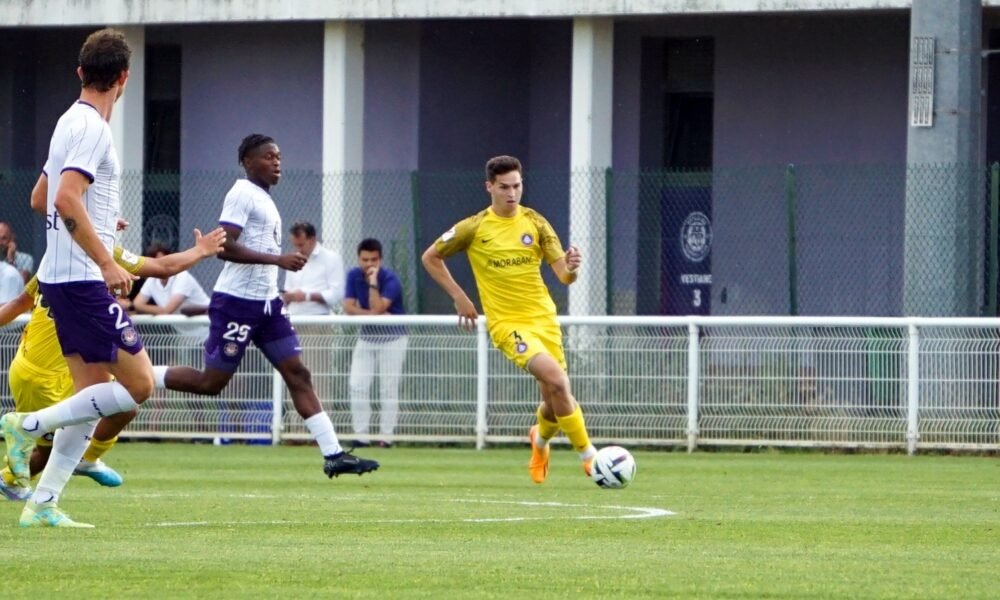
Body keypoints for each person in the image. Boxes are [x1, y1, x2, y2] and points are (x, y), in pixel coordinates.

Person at [142, 133, 378, 479]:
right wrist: (277, 260)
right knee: (212, 383)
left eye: (279, 156)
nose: (276, 162)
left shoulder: (265, 199)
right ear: (247, 162)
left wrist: (275, 270)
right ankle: (139, 375)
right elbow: (224, 246)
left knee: (298, 373)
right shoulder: (241, 193)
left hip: (268, 305)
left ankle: (334, 453)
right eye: (268, 157)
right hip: (237, 303)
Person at [0, 28, 158, 528]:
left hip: (61, 280)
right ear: (125, 79)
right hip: (82, 280)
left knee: (87, 400)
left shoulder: (67, 121)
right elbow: (66, 199)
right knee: (140, 385)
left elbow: (39, 199)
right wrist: (108, 261)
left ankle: (43, 503)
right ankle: (25, 425)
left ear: (80, 72)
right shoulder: (92, 127)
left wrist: (98, 218)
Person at [0, 229, 226, 502]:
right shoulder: (92, 255)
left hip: (48, 368)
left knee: (125, 407)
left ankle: (79, 464)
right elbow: (164, 266)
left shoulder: (60, 257)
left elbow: (17, 304)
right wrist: (201, 249)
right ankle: (16, 479)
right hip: (44, 375)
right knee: (52, 450)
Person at [421, 155, 596, 484]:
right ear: (490, 187)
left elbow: (564, 276)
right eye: (504, 187)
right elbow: (430, 257)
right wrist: (459, 297)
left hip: (543, 320)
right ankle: (590, 457)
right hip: (508, 325)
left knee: (553, 399)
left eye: (517, 186)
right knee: (558, 381)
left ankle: (540, 440)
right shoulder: (473, 228)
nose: (512, 193)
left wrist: (571, 266)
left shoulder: (536, 222)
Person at [343, 238, 408, 448]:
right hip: (367, 337)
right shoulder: (353, 275)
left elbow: (379, 307)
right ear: (358, 258)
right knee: (358, 385)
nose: (369, 264)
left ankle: (386, 438)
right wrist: (371, 314)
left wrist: (372, 283)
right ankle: (361, 436)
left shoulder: (391, 279)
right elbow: (349, 307)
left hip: (393, 339)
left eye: (373, 260)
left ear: (380, 259)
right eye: (365, 260)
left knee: (388, 388)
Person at [280, 220, 345, 412]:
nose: (298, 249)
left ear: (312, 239)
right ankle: (296, 431)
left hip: (317, 322)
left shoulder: (331, 258)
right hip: (293, 323)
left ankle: (321, 429)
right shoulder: (294, 259)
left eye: (301, 244)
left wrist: (306, 296)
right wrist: (287, 298)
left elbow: (335, 295)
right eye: (295, 245)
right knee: (293, 375)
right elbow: (288, 292)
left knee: (317, 375)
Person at [131, 243, 211, 340]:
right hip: (186, 337)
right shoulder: (151, 280)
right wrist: (161, 311)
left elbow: (167, 310)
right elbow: (137, 304)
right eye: (156, 262)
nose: (161, 265)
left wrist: (156, 310)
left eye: (164, 260)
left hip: (207, 332)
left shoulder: (182, 276)